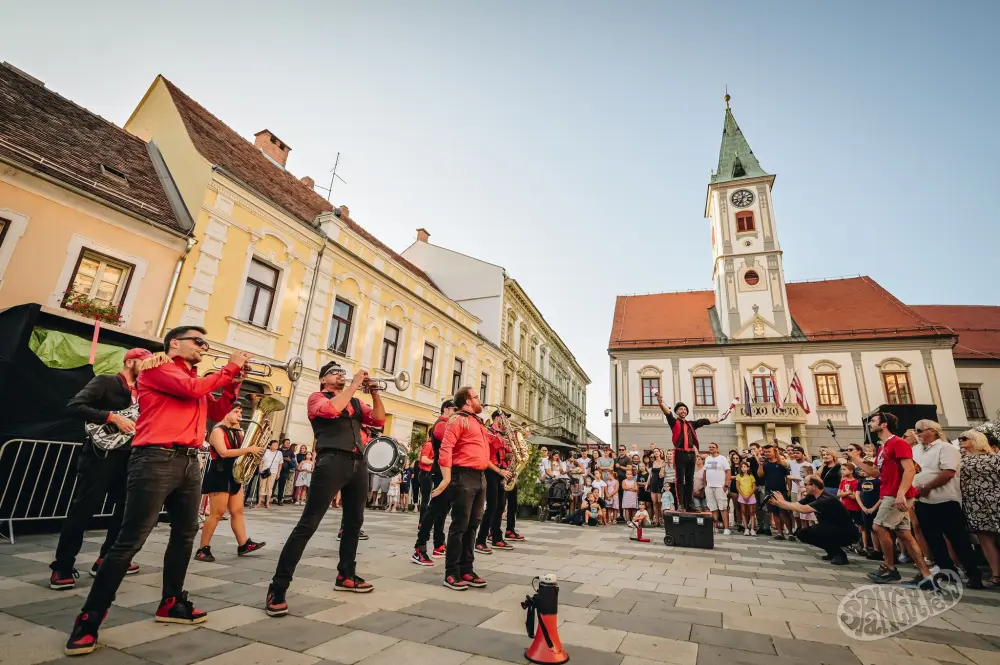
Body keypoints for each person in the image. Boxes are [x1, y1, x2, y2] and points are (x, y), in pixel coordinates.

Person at [65, 327, 246, 656]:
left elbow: (216, 414)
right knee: (130, 539)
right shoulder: (157, 367)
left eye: (206, 342)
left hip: (189, 461)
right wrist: (228, 368)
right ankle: (89, 620)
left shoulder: (192, 376)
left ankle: (171, 603)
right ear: (175, 343)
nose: (205, 347)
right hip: (155, 458)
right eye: (199, 341)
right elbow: (193, 390)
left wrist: (233, 384)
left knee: (184, 535)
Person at [265, 361, 385, 617]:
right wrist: (353, 384)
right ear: (323, 380)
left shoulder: (354, 401)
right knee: (308, 524)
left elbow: (378, 419)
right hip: (332, 461)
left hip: (358, 462)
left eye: (343, 372)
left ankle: (346, 575)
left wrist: (374, 392)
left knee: (354, 523)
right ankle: (278, 586)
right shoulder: (316, 397)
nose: (341, 375)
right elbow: (331, 410)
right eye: (335, 372)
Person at [50, 347, 151, 591]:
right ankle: (62, 566)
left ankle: (105, 559)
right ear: (130, 361)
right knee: (83, 510)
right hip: (100, 455)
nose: (149, 367)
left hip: (131, 457)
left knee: (125, 512)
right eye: (144, 362)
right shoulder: (106, 381)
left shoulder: (147, 392)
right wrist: (112, 418)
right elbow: (74, 406)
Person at [430, 386, 509, 591]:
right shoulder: (457, 419)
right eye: (476, 397)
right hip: (462, 475)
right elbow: (446, 448)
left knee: (474, 523)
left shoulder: (477, 421)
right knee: (460, 525)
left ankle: (467, 568)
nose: (479, 399)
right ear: (467, 401)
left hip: (479, 476)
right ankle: (451, 573)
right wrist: (446, 478)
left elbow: (486, 447)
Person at [850, 411, 933, 586]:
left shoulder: (898, 443)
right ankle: (926, 575)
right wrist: (856, 460)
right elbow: (876, 473)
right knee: (904, 534)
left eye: (873, 421)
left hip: (896, 494)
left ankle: (890, 568)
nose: (870, 424)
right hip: (891, 492)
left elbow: (910, 470)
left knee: (878, 526)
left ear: (884, 424)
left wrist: (901, 494)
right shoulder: (882, 447)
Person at [912, 421, 983, 588]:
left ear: (932, 431)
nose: (918, 434)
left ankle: (973, 572)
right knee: (933, 539)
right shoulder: (916, 450)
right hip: (922, 501)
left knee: (957, 539)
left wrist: (927, 487)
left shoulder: (945, 448)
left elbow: (948, 472)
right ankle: (946, 570)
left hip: (945, 501)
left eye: (920, 430)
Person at [195, 403, 265, 562]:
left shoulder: (239, 431)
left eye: (240, 411)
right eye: (236, 411)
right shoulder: (217, 431)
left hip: (234, 473)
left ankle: (243, 544)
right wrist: (249, 450)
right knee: (216, 514)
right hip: (219, 473)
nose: (240, 414)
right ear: (225, 413)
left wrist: (253, 449)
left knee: (237, 511)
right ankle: (202, 549)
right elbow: (224, 452)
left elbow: (242, 451)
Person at [655, 394, 725, 512]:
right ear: (677, 412)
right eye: (681, 409)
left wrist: (718, 419)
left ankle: (690, 504)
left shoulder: (691, 424)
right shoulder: (674, 422)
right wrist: (661, 402)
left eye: (685, 409)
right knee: (680, 480)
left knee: (690, 480)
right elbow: (667, 412)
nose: (683, 410)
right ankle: (681, 504)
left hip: (691, 454)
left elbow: (704, 421)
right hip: (680, 453)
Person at [768, 475, 858, 565]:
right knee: (803, 534)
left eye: (806, 484)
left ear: (814, 486)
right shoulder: (812, 496)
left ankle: (840, 555)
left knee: (812, 532)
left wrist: (780, 502)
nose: (804, 487)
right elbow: (797, 505)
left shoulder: (826, 499)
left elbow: (803, 509)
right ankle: (832, 552)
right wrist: (779, 502)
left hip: (846, 532)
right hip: (831, 528)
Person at [411, 400, 457, 566]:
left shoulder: (449, 423)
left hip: (447, 469)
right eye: (455, 409)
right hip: (439, 470)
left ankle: (438, 544)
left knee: (442, 510)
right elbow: (453, 442)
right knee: (434, 508)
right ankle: (419, 548)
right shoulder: (441, 425)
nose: (457, 412)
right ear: (446, 409)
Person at [957, 430, 1000, 586]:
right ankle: (996, 574)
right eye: (960, 438)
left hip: (995, 500)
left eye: (964, 438)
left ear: (976, 440)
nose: (961, 440)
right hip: (974, 503)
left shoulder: (994, 458)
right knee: (984, 537)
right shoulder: (961, 459)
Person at [476, 409, 515, 554]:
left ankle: (496, 536)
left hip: (502, 472)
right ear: (497, 418)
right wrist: (500, 471)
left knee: (500, 506)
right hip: (492, 472)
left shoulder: (503, 435)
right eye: (505, 418)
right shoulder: (489, 433)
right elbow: (485, 459)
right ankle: (480, 540)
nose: (508, 422)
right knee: (491, 507)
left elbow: (504, 454)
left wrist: (511, 455)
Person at [758, 444, 791, 540]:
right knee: (774, 513)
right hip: (769, 490)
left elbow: (787, 477)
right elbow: (760, 475)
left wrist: (788, 489)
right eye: (766, 452)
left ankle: (790, 533)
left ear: (774, 452)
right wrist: (760, 465)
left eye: (769, 451)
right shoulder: (765, 464)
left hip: (782, 490)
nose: (767, 453)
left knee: (783, 513)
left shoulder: (781, 463)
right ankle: (780, 533)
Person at [703, 443, 732, 534]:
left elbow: (728, 472)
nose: (711, 448)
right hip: (709, 487)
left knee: (723, 507)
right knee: (713, 508)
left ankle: (726, 528)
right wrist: (705, 485)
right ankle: (715, 527)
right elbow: (705, 472)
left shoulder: (722, 458)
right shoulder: (707, 458)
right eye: (710, 447)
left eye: (713, 447)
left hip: (720, 486)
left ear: (717, 448)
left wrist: (726, 485)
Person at [257, 441, 282, 509]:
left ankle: (267, 503)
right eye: (274, 444)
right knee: (262, 486)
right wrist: (260, 469)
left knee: (270, 487)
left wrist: (278, 473)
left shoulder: (279, 453)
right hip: (264, 471)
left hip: (274, 472)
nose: (276, 445)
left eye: (277, 444)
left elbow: (280, 464)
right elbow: (261, 461)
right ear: (269, 446)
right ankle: (259, 502)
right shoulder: (265, 451)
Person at [735, 461, 756, 535]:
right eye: (742, 467)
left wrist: (749, 495)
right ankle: (746, 528)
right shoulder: (738, 476)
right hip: (742, 496)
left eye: (745, 467)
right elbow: (737, 487)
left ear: (748, 468)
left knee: (752, 512)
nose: (743, 468)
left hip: (751, 496)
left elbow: (754, 487)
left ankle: (753, 529)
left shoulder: (751, 476)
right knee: (743, 511)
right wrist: (743, 495)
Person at [276, 439, 296, 505]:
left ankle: (280, 500)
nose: (288, 444)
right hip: (276, 469)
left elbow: (293, 463)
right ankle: (269, 499)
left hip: (285, 470)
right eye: (287, 443)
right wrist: (282, 458)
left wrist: (289, 460)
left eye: (289, 443)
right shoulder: (278, 450)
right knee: (272, 485)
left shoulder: (291, 452)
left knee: (282, 485)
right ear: (283, 443)